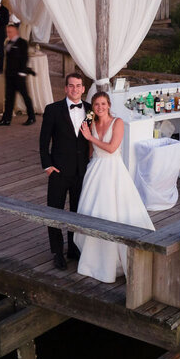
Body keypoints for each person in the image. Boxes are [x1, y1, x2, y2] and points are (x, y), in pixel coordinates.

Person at [73, 91, 155, 283]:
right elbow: (91, 151)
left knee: (114, 211)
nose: (100, 107)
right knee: (92, 211)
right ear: (93, 107)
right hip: (96, 169)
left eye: (103, 104)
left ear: (109, 105)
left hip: (113, 169)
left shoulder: (117, 122)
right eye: (96, 105)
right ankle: (93, 260)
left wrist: (89, 137)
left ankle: (118, 260)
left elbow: (111, 147)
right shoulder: (92, 122)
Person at [38, 72, 91, 269]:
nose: (74, 89)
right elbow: (44, 142)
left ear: (83, 89)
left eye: (78, 86)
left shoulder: (90, 110)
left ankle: (73, 247)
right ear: (65, 88)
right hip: (58, 170)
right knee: (55, 211)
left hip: (81, 171)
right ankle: (57, 252)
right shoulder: (52, 110)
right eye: (71, 86)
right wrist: (48, 166)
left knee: (76, 212)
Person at [0, 22, 34, 126]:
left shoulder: (22, 43)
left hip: (19, 76)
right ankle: (6, 119)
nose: (8, 34)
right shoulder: (8, 43)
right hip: (9, 75)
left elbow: (25, 59)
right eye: (7, 32)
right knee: (9, 98)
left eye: (10, 32)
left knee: (25, 97)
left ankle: (31, 117)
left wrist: (22, 73)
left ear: (16, 32)